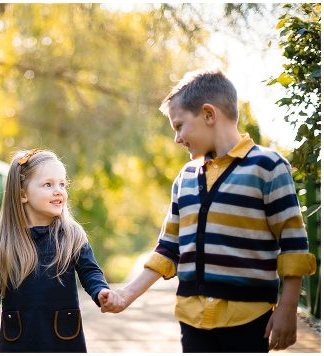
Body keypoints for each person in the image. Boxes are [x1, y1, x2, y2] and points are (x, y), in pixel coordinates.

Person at [101, 69, 316, 352]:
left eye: (179, 126)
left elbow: (293, 245)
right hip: (192, 321)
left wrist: (287, 309)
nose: (177, 139)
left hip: (249, 322)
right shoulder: (185, 179)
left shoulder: (268, 167)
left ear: (208, 115)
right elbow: (167, 249)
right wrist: (126, 295)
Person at [0, 149, 123, 352]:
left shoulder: (71, 235)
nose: (59, 190)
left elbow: (90, 271)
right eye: (48, 185)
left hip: (63, 337)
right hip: (19, 339)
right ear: (23, 194)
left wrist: (100, 290)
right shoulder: (3, 241)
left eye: (62, 184)